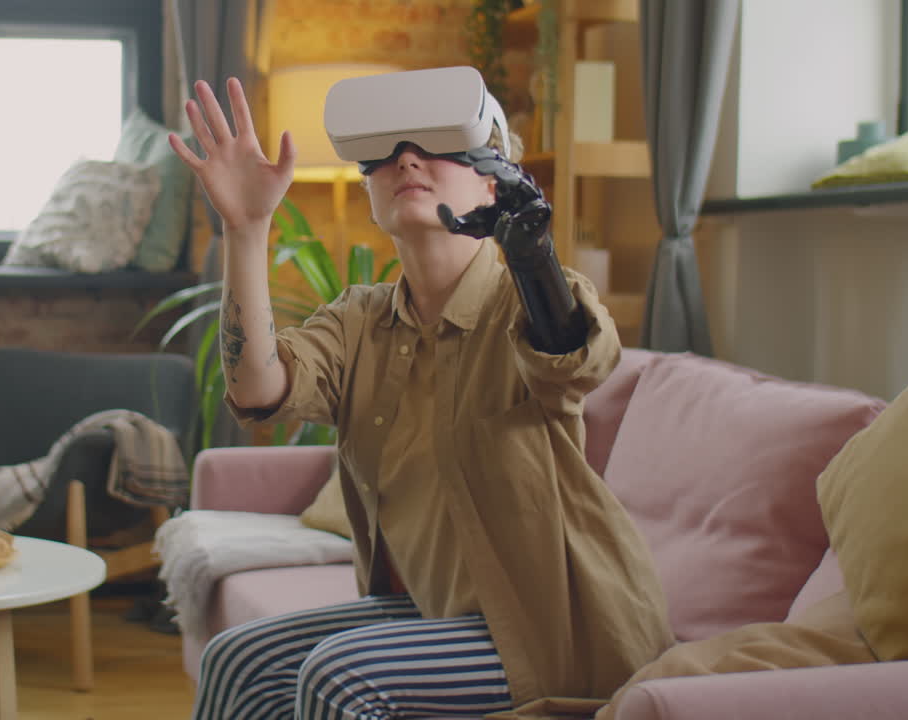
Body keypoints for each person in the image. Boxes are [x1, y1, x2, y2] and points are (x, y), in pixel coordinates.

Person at [167, 72, 674, 720]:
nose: (407, 158)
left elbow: (572, 355)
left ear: (493, 179)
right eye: (385, 151)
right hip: (436, 611)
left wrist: (534, 257)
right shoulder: (363, 322)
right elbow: (258, 387)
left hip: (556, 629)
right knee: (234, 657)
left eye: (439, 143)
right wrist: (246, 229)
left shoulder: (529, 297)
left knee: (338, 678)